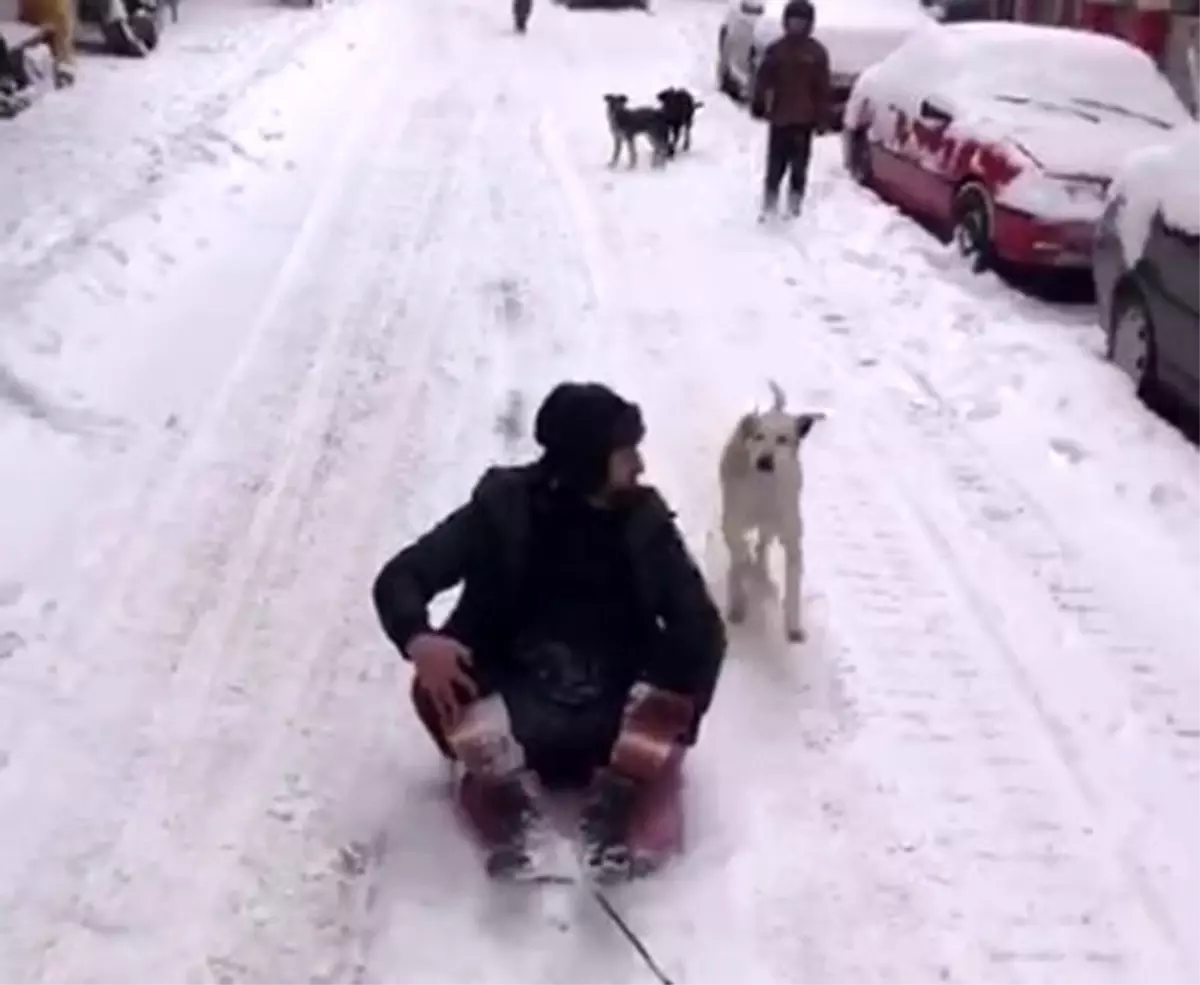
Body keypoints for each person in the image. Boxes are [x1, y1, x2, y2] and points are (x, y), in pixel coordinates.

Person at [372, 382, 726, 881]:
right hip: (515, 709)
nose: (640, 467)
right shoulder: (501, 509)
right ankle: (511, 805)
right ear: (587, 459)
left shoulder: (645, 523)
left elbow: (702, 628)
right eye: (627, 453)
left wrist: (669, 713)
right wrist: (418, 638)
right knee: (438, 684)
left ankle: (619, 800)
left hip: (615, 721)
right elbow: (403, 576)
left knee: (691, 650)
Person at [750, 0, 831, 220]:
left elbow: (823, 88)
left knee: (799, 168)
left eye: (802, 22)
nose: (797, 26)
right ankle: (769, 204)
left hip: (804, 120)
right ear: (786, 22)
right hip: (780, 118)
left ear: (809, 24)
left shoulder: (816, 53)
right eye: (793, 21)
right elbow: (762, 79)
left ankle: (794, 207)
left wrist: (823, 117)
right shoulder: (776, 50)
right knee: (775, 166)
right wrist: (758, 101)